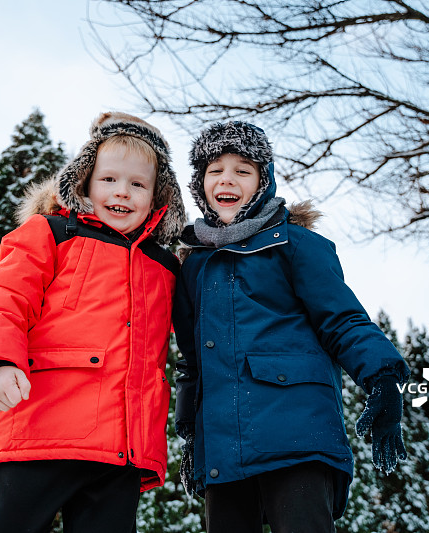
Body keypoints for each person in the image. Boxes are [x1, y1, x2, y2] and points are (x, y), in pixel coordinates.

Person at [0, 112, 186, 533]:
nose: (122, 193)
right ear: (84, 181)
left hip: (123, 448)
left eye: (138, 184)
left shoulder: (165, 267)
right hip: (41, 423)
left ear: (157, 196)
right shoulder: (52, 234)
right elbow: (3, 300)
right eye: (109, 179)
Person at [173, 121, 410, 533]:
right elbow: (192, 363)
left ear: (263, 181)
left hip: (297, 434)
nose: (227, 179)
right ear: (201, 183)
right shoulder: (193, 265)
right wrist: (191, 432)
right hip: (223, 448)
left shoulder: (294, 245)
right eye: (216, 170)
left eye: (243, 170)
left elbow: (343, 320)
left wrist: (383, 377)